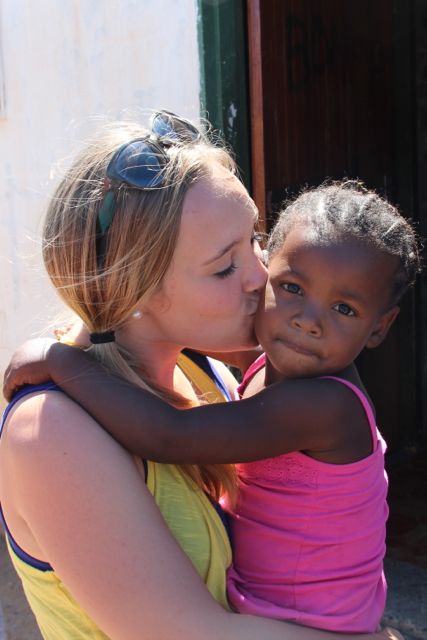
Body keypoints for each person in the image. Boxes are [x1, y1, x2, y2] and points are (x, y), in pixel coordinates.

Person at [0, 112, 402, 640]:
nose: (263, 275)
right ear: (136, 287)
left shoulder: (208, 373)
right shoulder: (50, 430)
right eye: (224, 266)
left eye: (255, 239)